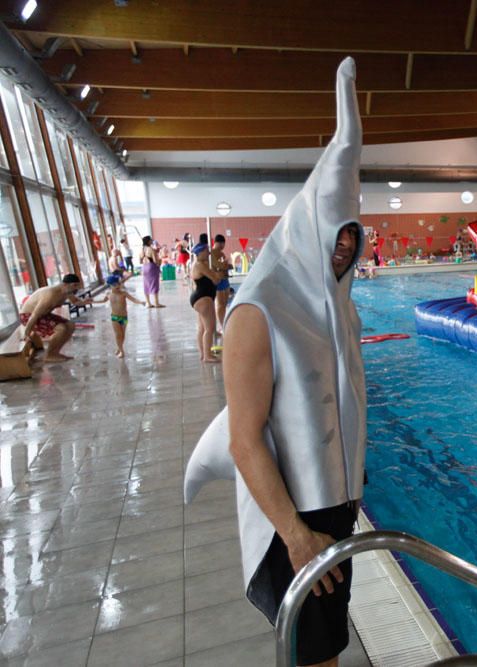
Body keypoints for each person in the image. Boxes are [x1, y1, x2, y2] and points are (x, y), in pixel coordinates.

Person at [184, 57, 367, 667]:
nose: (344, 244)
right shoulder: (256, 313)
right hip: (293, 513)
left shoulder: (337, 306)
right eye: (334, 232)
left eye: (352, 232)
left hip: (336, 504)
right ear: (305, 227)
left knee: (326, 645)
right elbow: (243, 441)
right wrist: (294, 535)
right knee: (312, 650)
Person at [18, 274, 90, 363]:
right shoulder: (51, 294)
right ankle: (49, 355)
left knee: (71, 325)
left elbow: (75, 302)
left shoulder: (67, 291)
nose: (77, 288)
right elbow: (34, 316)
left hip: (43, 315)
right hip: (27, 316)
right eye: (74, 285)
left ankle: (55, 352)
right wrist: (26, 333)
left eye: (77, 285)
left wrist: (85, 302)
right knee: (61, 329)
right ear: (65, 284)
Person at [93, 273, 145, 359]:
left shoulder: (123, 293)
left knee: (123, 335)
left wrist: (140, 302)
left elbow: (133, 299)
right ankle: (121, 351)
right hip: (115, 317)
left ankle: (119, 347)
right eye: (114, 285)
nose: (117, 286)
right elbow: (102, 301)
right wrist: (92, 301)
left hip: (124, 317)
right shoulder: (109, 294)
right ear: (109, 285)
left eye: (118, 284)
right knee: (118, 335)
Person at [189, 242, 225, 363]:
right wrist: (219, 275)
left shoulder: (198, 264)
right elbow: (215, 280)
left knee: (202, 328)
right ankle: (207, 355)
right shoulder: (199, 265)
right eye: (206, 251)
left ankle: (203, 353)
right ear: (201, 252)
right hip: (203, 298)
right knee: (210, 328)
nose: (209, 253)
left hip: (199, 298)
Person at [210, 234, 232, 335]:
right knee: (220, 304)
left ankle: (224, 324)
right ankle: (222, 325)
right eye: (222, 244)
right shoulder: (212, 254)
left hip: (225, 280)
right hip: (218, 280)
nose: (223, 246)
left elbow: (225, 266)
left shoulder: (221, 254)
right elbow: (218, 266)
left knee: (224, 303)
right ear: (219, 243)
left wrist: (226, 266)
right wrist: (225, 266)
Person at [140, 235, 164, 308]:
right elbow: (155, 261)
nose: (151, 241)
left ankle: (148, 303)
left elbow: (140, 261)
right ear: (148, 241)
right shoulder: (151, 249)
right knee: (154, 284)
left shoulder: (142, 249)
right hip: (151, 267)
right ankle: (156, 303)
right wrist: (160, 260)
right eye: (150, 240)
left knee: (146, 285)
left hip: (144, 267)